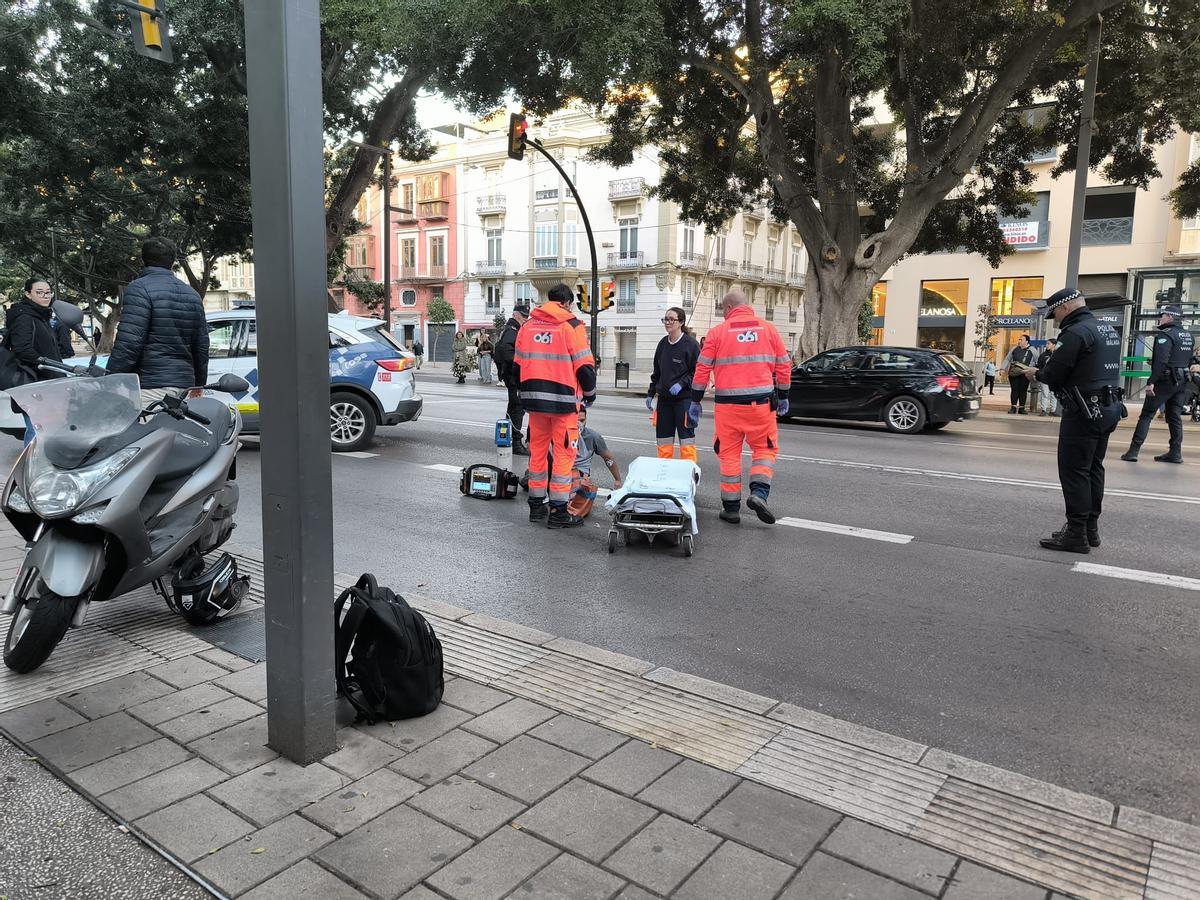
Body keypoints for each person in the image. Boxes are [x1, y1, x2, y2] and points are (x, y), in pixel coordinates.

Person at [1024, 288, 1123, 552]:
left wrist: (1036, 373)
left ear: (1065, 307)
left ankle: (1076, 534)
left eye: (1055, 313)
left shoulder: (1075, 333)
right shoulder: (1106, 329)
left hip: (1083, 412)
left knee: (1075, 471)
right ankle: (1090, 529)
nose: (1055, 319)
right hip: (1107, 408)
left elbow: (1054, 374)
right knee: (1094, 468)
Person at [689, 290, 791, 525]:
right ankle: (759, 494)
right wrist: (784, 395)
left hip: (728, 408)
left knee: (729, 455)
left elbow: (702, 369)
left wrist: (695, 400)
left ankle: (731, 509)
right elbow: (784, 365)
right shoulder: (768, 329)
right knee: (764, 450)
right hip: (761, 406)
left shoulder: (717, 332)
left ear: (728, 308)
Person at [514, 283, 596, 528]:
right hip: (563, 402)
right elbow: (585, 368)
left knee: (538, 453)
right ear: (567, 303)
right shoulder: (571, 326)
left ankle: (536, 507)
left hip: (534, 401)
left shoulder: (527, 326)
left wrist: (523, 393)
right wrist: (590, 395)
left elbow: (517, 366)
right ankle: (559, 511)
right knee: (563, 455)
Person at [107, 238, 209, 408]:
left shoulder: (139, 288)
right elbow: (201, 345)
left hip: (150, 386)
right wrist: (199, 383)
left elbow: (130, 341)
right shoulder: (192, 294)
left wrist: (110, 378)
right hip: (184, 386)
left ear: (143, 259)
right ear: (173, 261)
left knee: (139, 426)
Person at [1120, 305, 1196, 464]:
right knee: (1174, 416)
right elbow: (1185, 358)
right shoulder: (1188, 335)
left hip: (1165, 381)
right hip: (1182, 381)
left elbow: (1162, 361)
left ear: (1170, 317)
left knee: (1146, 415)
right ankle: (1175, 453)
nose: (1160, 318)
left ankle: (1133, 451)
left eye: (1163, 315)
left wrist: (1151, 382)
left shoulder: (1165, 335)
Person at [6, 279, 67, 445]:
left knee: (46, 429)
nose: (45, 296)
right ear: (28, 294)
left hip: (47, 382)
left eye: (48, 292)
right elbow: (23, 349)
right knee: (37, 431)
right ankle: (31, 461)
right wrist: (48, 364)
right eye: (39, 292)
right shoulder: (24, 317)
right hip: (34, 383)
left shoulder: (40, 316)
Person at [646, 306, 701, 462]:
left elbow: (697, 372)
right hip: (664, 401)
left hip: (684, 401)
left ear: (681, 322)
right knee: (664, 441)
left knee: (686, 441)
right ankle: (664, 471)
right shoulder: (663, 344)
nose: (668, 322)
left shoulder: (691, 345)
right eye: (666, 319)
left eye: (672, 319)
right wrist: (651, 393)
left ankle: (688, 471)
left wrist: (681, 384)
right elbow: (657, 372)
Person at [566, 407, 624, 519]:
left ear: (586, 419)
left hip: (579, 476)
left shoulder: (593, 437)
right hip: (560, 472)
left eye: (582, 420)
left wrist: (618, 480)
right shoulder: (560, 433)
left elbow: (608, 458)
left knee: (576, 508)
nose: (579, 424)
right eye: (575, 420)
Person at [494, 304, 530, 455]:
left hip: (512, 375)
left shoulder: (514, 330)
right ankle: (516, 443)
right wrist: (520, 367)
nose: (526, 318)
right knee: (517, 408)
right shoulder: (512, 331)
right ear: (515, 315)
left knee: (513, 408)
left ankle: (505, 437)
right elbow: (508, 354)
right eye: (523, 316)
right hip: (513, 376)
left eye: (527, 316)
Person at [1001, 334, 1035, 414]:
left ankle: (1021, 408)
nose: (1019, 341)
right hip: (1014, 372)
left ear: (1026, 341)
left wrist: (1031, 369)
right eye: (1019, 339)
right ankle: (1013, 407)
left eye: (1021, 340)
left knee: (1023, 390)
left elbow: (1036, 361)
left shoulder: (1032, 350)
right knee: (1014, 389)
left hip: (1025, 373)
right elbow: (1007, 359)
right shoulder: (1015, 349)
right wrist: (1003, 368)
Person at [1036, 339, 1058, 416]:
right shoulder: (1043, 355)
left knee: (1054, 394)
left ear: (1054, 345)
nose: (1047, 345)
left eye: (1049, 344)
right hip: (1044, 377)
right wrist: (1040, 374)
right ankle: (1043, 410)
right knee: (1044, 394)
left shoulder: (1058, 354)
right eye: (1047, 344)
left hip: (1054, 378)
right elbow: (1039, 365)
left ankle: (1053, 410)